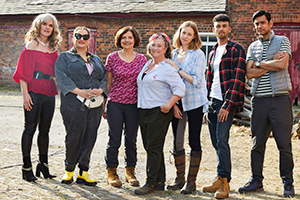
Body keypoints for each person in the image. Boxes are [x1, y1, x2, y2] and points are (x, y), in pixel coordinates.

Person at [238, 10, 295, 198]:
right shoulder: (252, 46)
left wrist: (259, 64)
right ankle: (256, 180)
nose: (259, 26)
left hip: (279, 99)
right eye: (256, 24)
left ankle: (287, 182)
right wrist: (268, 62)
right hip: (259, 101)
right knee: (257, 143)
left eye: (262, 22)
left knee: (283, 144)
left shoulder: (282, 41)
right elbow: (249, 73)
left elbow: (282, 65)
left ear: (270, 23)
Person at [134, 33, 186, 195]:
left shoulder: (167, 68)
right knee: (150, 147)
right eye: (153, 45)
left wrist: (169, 105)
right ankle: (159, 181)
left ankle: (150, 183)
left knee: (154, 147)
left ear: (165, 49)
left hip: (159, 112)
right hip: (143, 110)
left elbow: (180, 89)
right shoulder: (148, 64)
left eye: (159, 45)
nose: (155, 48)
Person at [55, 27, 107, 186]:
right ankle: (69, 170)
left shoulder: (96, 59)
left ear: (89, 39)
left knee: (90, 136)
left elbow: (104, 77)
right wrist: (79, 92)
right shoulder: (65, 57)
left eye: (85, 36)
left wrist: (101, 90)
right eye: (78, 36)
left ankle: (83, 172)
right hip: (73, 103)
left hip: (95, 104)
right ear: (73, 38)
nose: (81, 39)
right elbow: (61, 76)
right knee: (74, 136)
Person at [13, 13, 62, 182]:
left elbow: (58, 72)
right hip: (33, 89)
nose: (47, 28)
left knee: (45, 130)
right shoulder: (32, 45)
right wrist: (25, 95)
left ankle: (43, 165)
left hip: (49, 91)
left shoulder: (53, 47)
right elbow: (22, 73)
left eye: (50, 25)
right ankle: (26, 168)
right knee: (30, 128)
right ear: (38, 26)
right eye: (44, 25)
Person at [202, 14, 246, 199]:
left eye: (224, 26)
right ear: (214, 29)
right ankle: (220, 177)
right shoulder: (212, 52)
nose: (221, 29)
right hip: (212, 102)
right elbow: (210, 81)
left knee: (222, 140)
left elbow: (237, 79)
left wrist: (227, 105)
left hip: (225, 103)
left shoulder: (236, 49)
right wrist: (206, 105)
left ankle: (225, 182)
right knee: (215, 142)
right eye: (218, 26)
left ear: (229, 29)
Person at [165, 21, 208, 194]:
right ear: (179, 33)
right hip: (178, 102)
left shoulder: (198, 54)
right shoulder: (173, 54)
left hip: (195, 102)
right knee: (177, 141)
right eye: (183, 33)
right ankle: (179, 178)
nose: (186, 36)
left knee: (194, 140)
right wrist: (174, 103)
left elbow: (197, 81)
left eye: (190, 34)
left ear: (194, 37)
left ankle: (191, 182)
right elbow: (169, 82)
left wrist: (178, 69)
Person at [104, 26, 147, 187]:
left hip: (134, 105)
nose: (127, 40)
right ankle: (112, 172)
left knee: (131, 139)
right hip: (115, 103)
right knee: (114, 139)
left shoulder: (142, 59)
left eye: (129, 37)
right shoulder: (112, 57)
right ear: (119, 40)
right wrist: (104, 104)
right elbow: (108, 83)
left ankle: (130, 172)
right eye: (124, 38)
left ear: (135, 39)